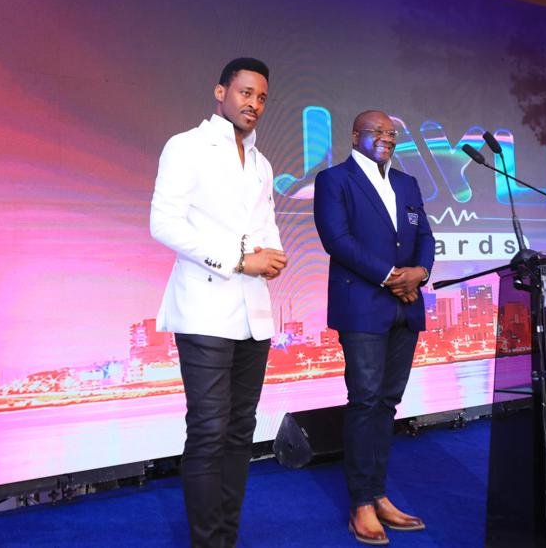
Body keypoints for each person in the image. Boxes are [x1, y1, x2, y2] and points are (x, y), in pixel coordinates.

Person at [150, 57, 288, 547]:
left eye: (262, 97)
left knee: (240, 431)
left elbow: (265, 223)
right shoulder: (186, 146)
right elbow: (164, 223)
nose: (254, 104)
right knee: (209, 431)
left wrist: (273, 255)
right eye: (246, 93)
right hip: (204, 309)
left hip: (253, 313)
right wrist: (238, 260)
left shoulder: (261, 163)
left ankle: (226, 537)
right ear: (221, 92)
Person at [313, 110, 435, 546]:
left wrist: (419, 272)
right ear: (355, 136)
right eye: (376, 131)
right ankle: (361, 503)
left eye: (391, 132)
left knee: (387, 403)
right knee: (365, 401)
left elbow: (425, 237)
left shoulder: (407, 183)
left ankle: (379, 495)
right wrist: (390, 276)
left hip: (407, 307)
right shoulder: (334, 180)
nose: (386, 137)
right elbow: (337, 240)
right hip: (362, 307)